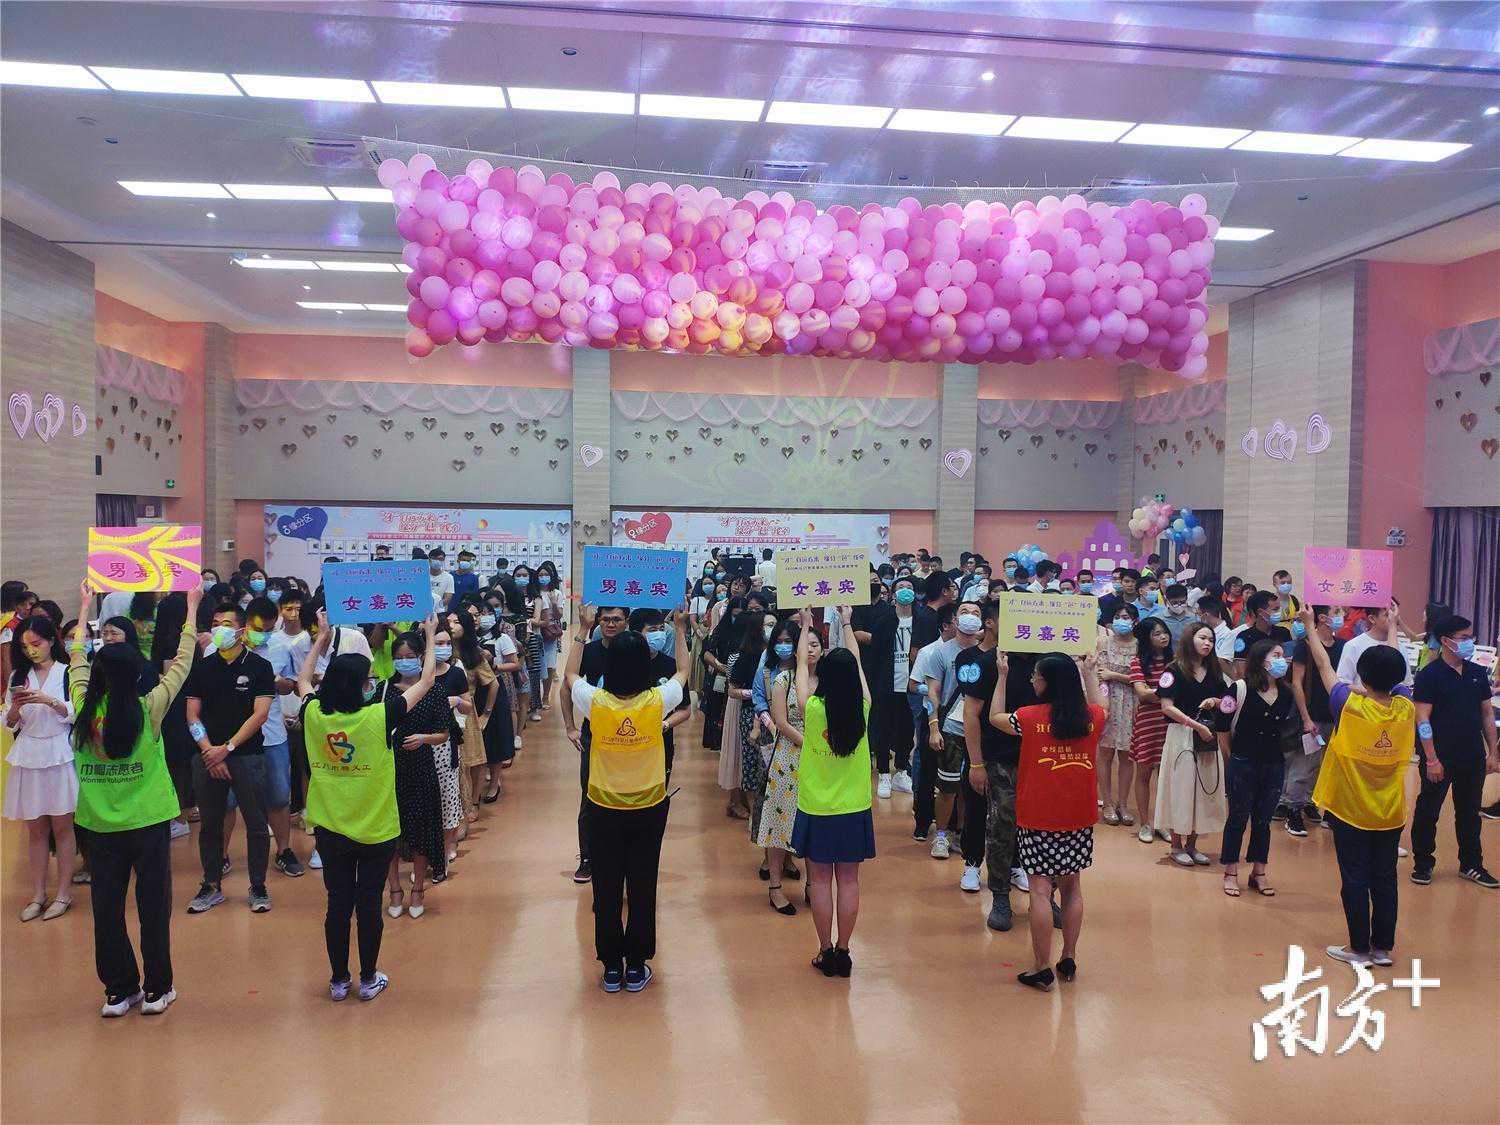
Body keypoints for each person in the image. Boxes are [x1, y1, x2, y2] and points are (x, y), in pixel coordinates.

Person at [69, 579, 202, 1017]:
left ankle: (118, 991)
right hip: (148, 823)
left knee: (106, 911)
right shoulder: (150, 707)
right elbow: (182, 662)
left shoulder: (83, 709)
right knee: (153, 909)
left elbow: (76, 661)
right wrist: (192, 607)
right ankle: (157, 990)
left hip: (98, 827)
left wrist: (85, 607)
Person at [296, 611, 436, 1001]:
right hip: (376, 829)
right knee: (369, 904)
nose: (373, 683)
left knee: (337, 904)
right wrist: (428, 633)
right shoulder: (379, 716)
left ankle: (339, 980)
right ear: (360, 686)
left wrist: (321, 639)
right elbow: (426, 680)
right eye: (368, 679)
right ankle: (369, 978)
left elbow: (304, 681)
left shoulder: (313, 714)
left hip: (330, 829)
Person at [565, 604, 689, 993]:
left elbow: (570, 676)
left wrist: (583, 630)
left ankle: (610, 968)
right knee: (642, 884)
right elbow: (684, 673)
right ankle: (636, 966)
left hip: (602, 809)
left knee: (605, 887)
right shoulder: (657, 701)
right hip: (648, 808)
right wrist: (681, 629)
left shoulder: (595, 702)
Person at [1298, 608, 1415, 965]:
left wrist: (1308, 625)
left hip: (1351, 810)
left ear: (1362, 675)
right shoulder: (1405, 708)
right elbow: (1395, 665)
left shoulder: (1348, 704)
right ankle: (1382, 948)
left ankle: (1358, 948)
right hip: (1390, 811)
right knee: (1385, 879)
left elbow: (1323, 665)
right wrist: (1393, 626)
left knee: (1355, 878)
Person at [990, 651, 1105, 991]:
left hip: (1038, 815)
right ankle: (1068, 956)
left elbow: (994, 716)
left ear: (1048, 683)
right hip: (1078, 816)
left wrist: (1002, 675)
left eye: (1036, 676)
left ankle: (1041, 967)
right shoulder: (1091, 717)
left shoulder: (1028, 717)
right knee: (1072, 887)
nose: (1032, 681)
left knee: (1040, 890)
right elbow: (1103, 706)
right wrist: (1089, 671)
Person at [791, 606, 873, 979]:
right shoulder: (864, 708)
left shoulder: (811, 708)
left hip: (817, 807)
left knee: (820, 881)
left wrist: (807, 625)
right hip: (854, 807)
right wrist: (847, 622)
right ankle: (844, 951)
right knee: (850, 881)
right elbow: (856, 664)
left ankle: (825, 951)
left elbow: (800, 666)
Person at [184, 603, 275, 914]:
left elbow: (260, 714)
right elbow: (192, 714)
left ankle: (258, 885)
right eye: (214, 623)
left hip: (247, 756)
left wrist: (228, 748)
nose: (218, 629)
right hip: (207, 757)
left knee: (256, 823)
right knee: (210, 824)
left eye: (225, 623)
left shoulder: (260, 667)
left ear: (241, 629)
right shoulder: (202, 668)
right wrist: (209, 751)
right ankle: (211, 885)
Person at [960, 601, 1041, 931]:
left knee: (1043, 829)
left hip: (1041, 761)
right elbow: (970, 714)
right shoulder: (989, 663)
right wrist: (976, 763)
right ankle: (1001, 896)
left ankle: (1045, 897)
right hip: (1000, 759)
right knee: (1002, 827)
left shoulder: (1046, 662)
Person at [1410, 614, 1499, 889]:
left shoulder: (1477, 673)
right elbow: (1422, 719)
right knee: (1429, 810)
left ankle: (1471, 864)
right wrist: (1431, 758)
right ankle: (1423, 863)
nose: (1470, 642)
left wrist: (1492, 752)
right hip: (1440, 756)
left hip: (1471, 755)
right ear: (1446, 641)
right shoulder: (1429, 676)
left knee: (1469, 812)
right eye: (1464, 637)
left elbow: (1486, 714)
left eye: (1471, 637)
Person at [4, 614, 78, 920]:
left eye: (36, 643)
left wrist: (50, 701)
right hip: (29, 753)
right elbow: (9, 722)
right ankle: (37, 894)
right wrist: (16, 707)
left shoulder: (67, 672)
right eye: (25, 647)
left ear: (50, 641)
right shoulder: (18, 676)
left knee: (62, 826)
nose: (31, 651)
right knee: (35, 829)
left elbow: (77, 712)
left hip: (59, 752)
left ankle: (64, 893)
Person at [1219, 640, 1296, 897]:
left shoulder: (1286, 693)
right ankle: (1231, 871)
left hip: (1274, 763)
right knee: (1238, 817)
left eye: (1283, 656)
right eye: (1276, 655)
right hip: (1243, 761)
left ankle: (1259, 871)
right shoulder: (1239, 688)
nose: (1282, 660)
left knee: (1263, 820)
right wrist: (1232, 757)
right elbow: (1222, 728)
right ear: (1261, 659)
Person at [384, 629, 451, 917]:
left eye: (410, 656)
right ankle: (394, 890)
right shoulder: (384, 690)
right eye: (399, 657)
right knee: (389, 832)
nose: (404, 662)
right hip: (389, 769)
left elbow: (444, 733)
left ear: (421, 657)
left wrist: (424, 738)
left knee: (421, 831)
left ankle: (418, 889)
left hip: (421, 767)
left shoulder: (433, 690)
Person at [1154, 622, 1230, 867]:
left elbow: (1227, 700)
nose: (1207, 643)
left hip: (1207, 737)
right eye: (1202, 638)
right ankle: (1176, 845)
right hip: (1182, 735)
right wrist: (1194, 725)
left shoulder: (1214, 671)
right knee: (1181, 788)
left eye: (1211, 640)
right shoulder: (1174, 670)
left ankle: (1192, 845)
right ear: (1190, 639)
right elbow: (1167, 707)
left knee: (1204, 789)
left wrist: (1215, 701)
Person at [565, 604, 630, 883]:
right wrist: (570, 727)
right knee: (590, 796)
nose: (611, 624)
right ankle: (588, 858)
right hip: (594, 735)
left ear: (626, 621)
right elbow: (566, 686)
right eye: (605, 619)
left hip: (630, 736)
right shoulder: (589, 652)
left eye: (617, 619)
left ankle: (623, 857)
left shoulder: (634, 650)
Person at [756, 618, 810, 915]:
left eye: (815, 645)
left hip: (819, 761)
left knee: (813, 823)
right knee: (780, 821)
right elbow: (781, 722)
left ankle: (813, 884)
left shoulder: (823, 680)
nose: (809, 650)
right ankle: (775, 887)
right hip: (789, 757)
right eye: (806, 645)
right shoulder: (780, 678)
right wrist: (811, 744)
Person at [924, 600, 985, 861]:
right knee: (947, 786)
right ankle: (941, 834)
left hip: (979, 729)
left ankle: (961, 832)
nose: (971, 616)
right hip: (950, 727)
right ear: (955, 619)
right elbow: (932, 693)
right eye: (965, 612)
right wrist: (933, 727)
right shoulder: (940, 653)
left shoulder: (988, 652)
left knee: (970, 787)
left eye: (976, 612)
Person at [1284, 604, 1346, 835]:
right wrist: (1305, 718)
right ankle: (1292, 810)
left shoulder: (1343, 646)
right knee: (1304, 765)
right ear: (1322, 618)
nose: (1341, 616)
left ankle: (1310, 802)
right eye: (1336, 613)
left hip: (1335, 716)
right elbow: (1296, 683)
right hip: (1312, 715)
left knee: (1324, 766)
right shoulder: (1305, 646)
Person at [1127, 617, 1173, 840]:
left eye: (1165, 632)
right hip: (1148, 722)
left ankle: (1163, 823)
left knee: (1166, 777)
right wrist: (1168, 694)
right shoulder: (1138, 662)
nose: (1163, 637)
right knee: (1144, 773)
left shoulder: (1176, 661)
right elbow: (1141, 693)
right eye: (1157, 633)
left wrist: (1154, 693)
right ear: (1147, 638)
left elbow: (1150, 692)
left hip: (1171, 722)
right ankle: (1145, 823)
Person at [1095, 603, 1140, 827]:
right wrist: (1102, 704)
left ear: (1135, 621)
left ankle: (1123, 804)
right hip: (1108, 699)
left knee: (1126, 755)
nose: (1122, 620)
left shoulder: (1140, 645)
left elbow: (1141, 678)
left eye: (1126, 616)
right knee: (1105, 753)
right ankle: (1108, 803)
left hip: (1133, 702)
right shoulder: (1103, 641)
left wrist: (1116, 675)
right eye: (1118, 616)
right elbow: (1100, 673)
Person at [1335, 603, 1400, 690]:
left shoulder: (1399, 646)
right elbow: (1343, 683)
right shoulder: (1353, 645)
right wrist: (1370, 693)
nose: (1393, 619)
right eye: (1387, 615)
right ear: (1372, 619)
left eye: (1395, 614)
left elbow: (1404, 683)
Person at [531, 561, 566, 711]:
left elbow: (559, 615)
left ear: (551, 577)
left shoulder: (556, 593)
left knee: (550, 665)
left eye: (546, 574)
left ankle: (545, 696)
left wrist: (553, 603)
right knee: (535, 665)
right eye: (541, 574)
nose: (543, 577)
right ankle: (534, 697)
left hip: (550, 633)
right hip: (535, 631)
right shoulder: (533, 593)